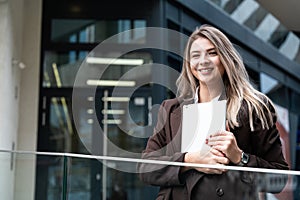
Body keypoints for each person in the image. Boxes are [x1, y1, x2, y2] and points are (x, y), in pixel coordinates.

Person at [138, 24, 289, 200]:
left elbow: (278, 180)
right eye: (195, 55)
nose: (203, 61)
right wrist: (189, 160)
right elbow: (146, 169)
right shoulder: (171, 109)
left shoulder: (254, 108)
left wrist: (240, 157)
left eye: (212, 53)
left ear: (225, 58)